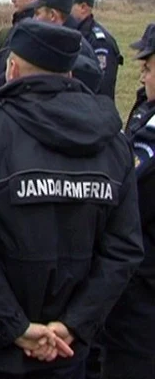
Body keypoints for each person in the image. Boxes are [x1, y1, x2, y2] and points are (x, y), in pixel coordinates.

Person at [0, 19, 144, 379]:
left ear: (12, 68)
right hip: (64, 351)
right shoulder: (115, 141)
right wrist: (74, 324)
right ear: (70, 72)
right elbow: (123, 249)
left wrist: (16, 327)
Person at [99, 24, 155, 378]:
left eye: (148, 68)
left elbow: (125, 194)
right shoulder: (145, 111)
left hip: (143, 296)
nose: (142, 74)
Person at [0, 0, 103, 98]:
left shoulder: (73, 50)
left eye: (37, 13)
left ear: (52, 15)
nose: (33, 18)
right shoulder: (54, 42)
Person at [65, 0, 123, 100]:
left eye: (68, 6)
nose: (65, 11)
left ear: (83, 7)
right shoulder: (74, 34)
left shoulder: (100, 42)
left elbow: (102, 85)